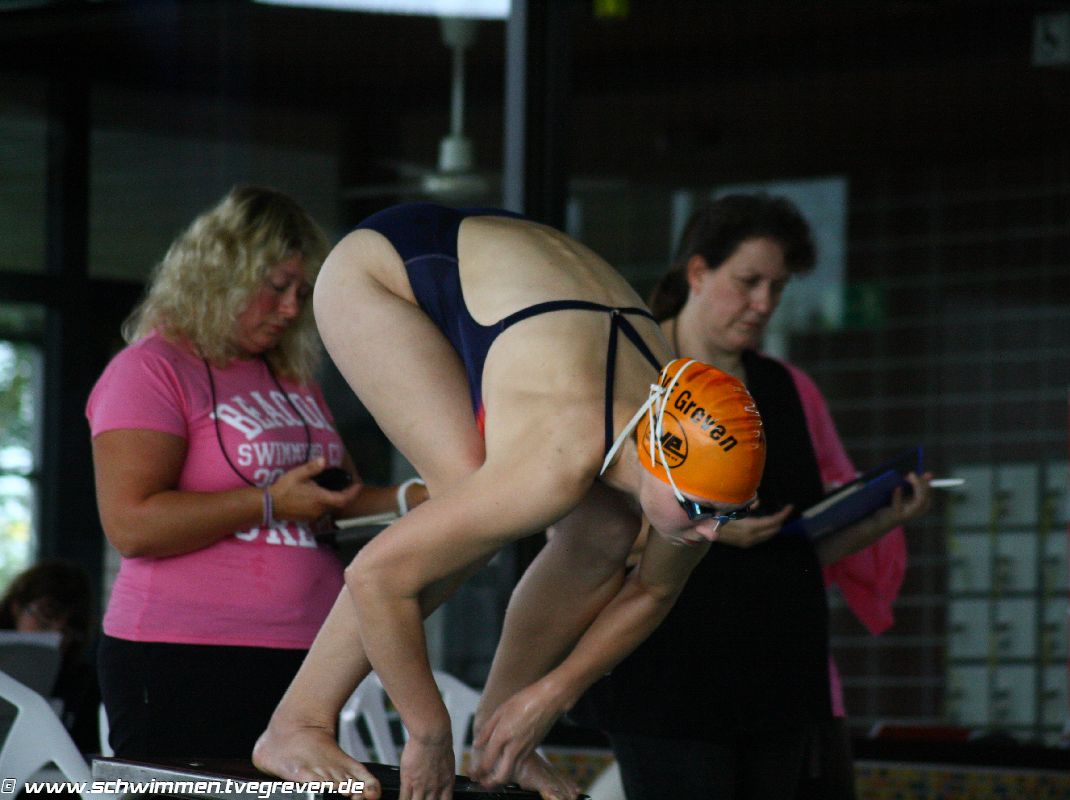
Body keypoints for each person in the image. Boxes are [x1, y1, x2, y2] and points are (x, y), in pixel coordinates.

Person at [251, 203, 767, 800]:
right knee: (463, 502)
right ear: (656, 459)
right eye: (701, 511)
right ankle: (297, 724)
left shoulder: (691, 469)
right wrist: (429, 731)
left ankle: (498, 744)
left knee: (604, 532)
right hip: (390, 266)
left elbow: (653, 590)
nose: (712, 533)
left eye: (729, 514)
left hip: (526, 277)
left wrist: (548, 696)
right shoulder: (556, 459)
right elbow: (376, 575)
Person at [571, 194, 932, 800]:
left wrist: (877, 520)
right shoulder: (636, 376)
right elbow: (578, 532)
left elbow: (794, 550)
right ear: (697, 272)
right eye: (748, 282)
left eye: (778, 288)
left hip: (778, 680)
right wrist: (706, 527)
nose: (763, 303)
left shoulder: (783, 387)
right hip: (668, 676)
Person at [86, 185, 413, 760]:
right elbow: (132, 526)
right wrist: (269, 503)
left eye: (303, 293)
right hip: (184, 650)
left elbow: (333, 499)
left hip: (308, 651)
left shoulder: (290, 377)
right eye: (277, 287)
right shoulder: (151, 369)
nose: (291, 309)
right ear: (221, 277)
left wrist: (422, 498)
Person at [0, 558, 102, 753]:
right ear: (17, 607)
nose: (56, 634)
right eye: (46, 617)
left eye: (69, 628)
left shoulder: (83, 684)